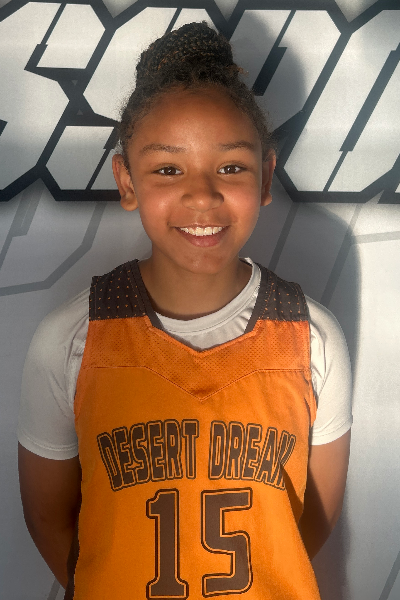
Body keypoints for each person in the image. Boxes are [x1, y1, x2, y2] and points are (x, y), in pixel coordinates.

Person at [18, 22, 352, 600]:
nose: (202, 195)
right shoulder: (71, 339)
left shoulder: (312, 337)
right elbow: (49, 519)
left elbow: (310, 521)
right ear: (127, 181)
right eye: (168, 169)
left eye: (231, 167)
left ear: (266, 177)